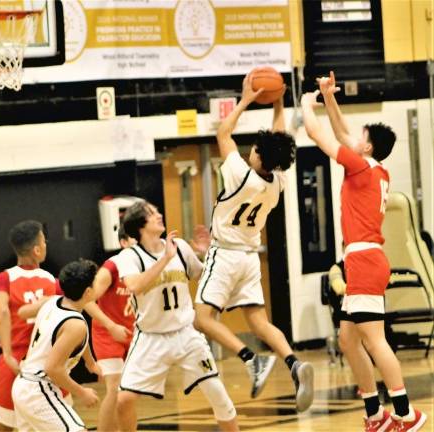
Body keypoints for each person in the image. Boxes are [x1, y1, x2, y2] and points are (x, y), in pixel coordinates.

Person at [301, 70, 427, 431]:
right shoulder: (373, 169)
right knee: (347, 338)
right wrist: (330, 98)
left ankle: (405, 413)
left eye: (361, 137)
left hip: (367, 260)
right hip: (361, 260)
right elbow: (343, 134)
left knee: (373, 339)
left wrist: (307, 103)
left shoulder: (359, 166)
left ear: (367, 147)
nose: (354, 137)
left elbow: (317, 133)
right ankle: (375, 414)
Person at [193, 71, 314, 411]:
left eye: (256, 148)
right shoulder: (278, 183)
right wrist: (278, 102)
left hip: (226, 255)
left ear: (259, 157)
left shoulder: (238, 173)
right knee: (258, 321)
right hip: (249, 258)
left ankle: (252, 360)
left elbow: (223, 132)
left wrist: (246, 99)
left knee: (202, 319)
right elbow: (281, 137)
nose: (252, 150)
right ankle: (292, 362)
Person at [115, 201, 239, 432]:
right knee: (124, 400)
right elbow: (135, 286)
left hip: (185, 334)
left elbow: (204, 276)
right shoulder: (129, 256)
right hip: (151, 338)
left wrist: (208, 254)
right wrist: (164, 259)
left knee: (218, 394)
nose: (160, 215)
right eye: (153, 214)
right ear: (140, 225)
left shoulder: (180, 247)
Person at [0, 220, 62, 431]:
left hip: (15, 362)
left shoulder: (2, 278)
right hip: (45, 362)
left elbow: (2, 311)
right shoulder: (53, 281)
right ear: (37, 250)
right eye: (44, 241)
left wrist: (9, 354)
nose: (46, 245)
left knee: (3, 427)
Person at [11, 259, 101, 432]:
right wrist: (82, 392)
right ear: (88, 292)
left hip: (23, 384)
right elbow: (53, 368)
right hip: (38, 389)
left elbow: (76, 342)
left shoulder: (52, 301)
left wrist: (91, 363)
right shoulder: (76, 325)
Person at [91, 225, 136, 432]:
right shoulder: (111, 267)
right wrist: (110, 325)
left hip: (133, 333)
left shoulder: (147, 264)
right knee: (114, 387)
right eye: (134, 238)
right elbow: (86, 300)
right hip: (107, 332)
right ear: (123, 242)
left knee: (128, 392)